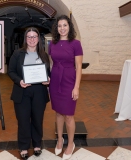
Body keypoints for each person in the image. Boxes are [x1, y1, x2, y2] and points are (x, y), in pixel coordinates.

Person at [8, 27, 50, 160]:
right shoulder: (17, 54)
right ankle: (24, 146)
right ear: (25, 39)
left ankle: (37, 144)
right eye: (29, 37)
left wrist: (48, 79)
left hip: (39, 92)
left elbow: (48, 72)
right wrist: (19, 81)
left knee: (38, 119)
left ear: (39, 39)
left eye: (34, 37)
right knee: (23, 120)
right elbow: (11, 72)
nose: (32, 39)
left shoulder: (44, 55)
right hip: (22, 91)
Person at [48, 15, 83, 160]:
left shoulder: (76, 43)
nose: (62, 28)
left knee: (68, 114)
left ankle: (70, 144)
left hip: (69, 79)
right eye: (59, 26)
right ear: (56, 28)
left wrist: (77, 87)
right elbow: (51, 63)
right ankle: (60, 139)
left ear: (69, 27)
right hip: (55, 79)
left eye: (65, 25)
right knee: (58, 112)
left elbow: (79, 66)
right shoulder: (52, 44)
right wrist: (49, 78)